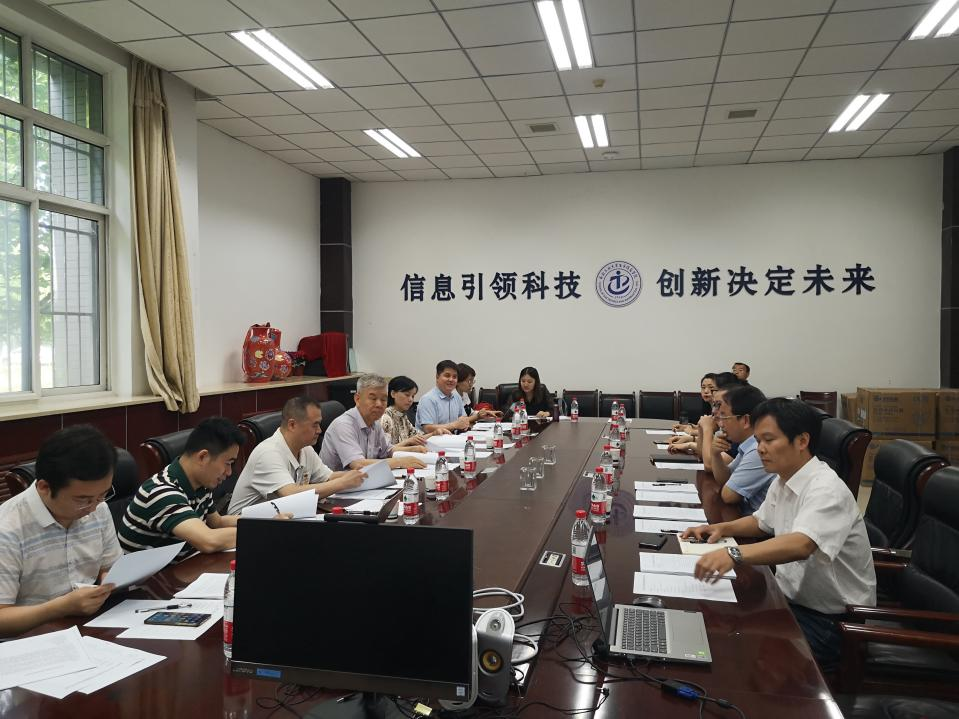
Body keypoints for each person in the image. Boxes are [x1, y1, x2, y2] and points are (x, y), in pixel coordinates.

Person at [682, 398, 876, 671]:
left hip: (830, 624)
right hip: (789, 601)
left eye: (769, 440)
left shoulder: (826, 489)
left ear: (802, 441)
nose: (760, 449)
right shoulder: (785, 477)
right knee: (712, 619)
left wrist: (733, 553)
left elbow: (802, 544)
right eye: (758, 440)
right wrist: (721, 529)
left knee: (727, 643)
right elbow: (761, 522)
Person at [0, 425, 120, 637]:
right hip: (31, 639)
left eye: (103, 494)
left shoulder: (98, 507)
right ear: (44, 487)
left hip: (88, 626)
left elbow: (109, 565)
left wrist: (109, 579)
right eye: (82, 500)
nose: (93, 508)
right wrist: (60, 607)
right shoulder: (7, 529)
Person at [120, 417, 253, 561]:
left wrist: (263, 522)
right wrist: (261, 531)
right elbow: (209, 540)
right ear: (203, 457)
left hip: (183, 567)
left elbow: (217, 523)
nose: (229, 472)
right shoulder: (162, 491)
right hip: (150, 574)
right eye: (228, 463)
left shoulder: (200, 483)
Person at [228, 397, 366, 514]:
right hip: (242, 525)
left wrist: (360, 475)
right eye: (315, 425)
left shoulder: (305, 448)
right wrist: (342, 483)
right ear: (292, 425)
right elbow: (290, 494)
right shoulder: (268, 452)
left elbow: (327, 477)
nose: (319, 430)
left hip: (281, 517)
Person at [321, 373, 428, 471]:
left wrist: (413, 449)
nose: (379, 404)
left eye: (383, 399)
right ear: (357, 399)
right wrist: (400, 462)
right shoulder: (343, 425)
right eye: (373, 399)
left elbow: (388, 451)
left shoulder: (374, 422)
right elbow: (358, 464)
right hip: (338, 484)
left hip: (366, 480)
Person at [704, 384, 774, 514]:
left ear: (746, 420)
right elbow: (724, 479)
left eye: (724, 416)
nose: (720, 424)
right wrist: (715, 454)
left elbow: (729, 496)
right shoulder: (747, 445)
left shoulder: (758, 450)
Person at [416, 360, 491, 433]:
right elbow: (427, 428)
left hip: (454, 438)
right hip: (431, 440)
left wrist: (464, 424)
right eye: (447, 375)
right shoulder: (428, 399)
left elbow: (463, 419)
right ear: (437, 377)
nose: (451, 379)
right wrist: (454, 425)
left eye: (454, 377)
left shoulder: (456, 396)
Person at [381, 376, 452, 445]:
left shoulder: (403, 416)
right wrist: (409, 443)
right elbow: (384, 450)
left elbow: (418, 438)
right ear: (393, 394)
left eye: (413, 396)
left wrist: (434, 433)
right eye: (407, 395)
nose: (411, 400)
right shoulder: (384, 418)